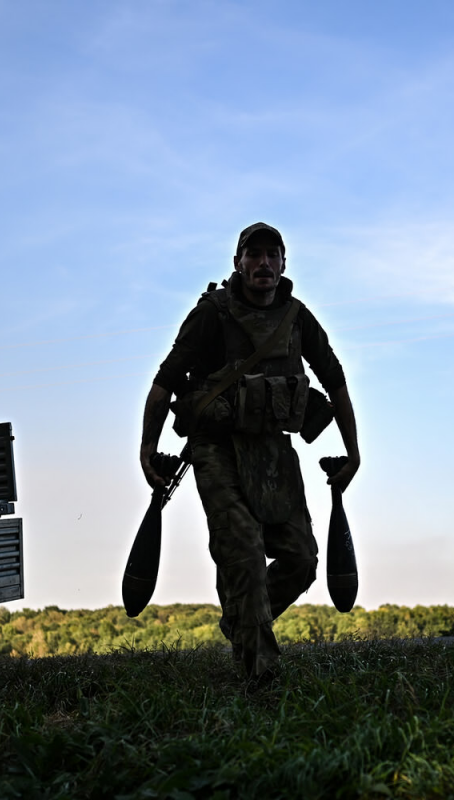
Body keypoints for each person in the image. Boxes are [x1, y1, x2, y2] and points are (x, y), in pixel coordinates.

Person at [138, 222, 360, 684]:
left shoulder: (297, 318)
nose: (263, 263)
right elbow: (163, 382)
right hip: (214, 447)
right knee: (242, 550)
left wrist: (353, 452)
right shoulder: (211, 314)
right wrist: (147, 449)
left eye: (271, 255)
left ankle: (240, 621)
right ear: (237, 263)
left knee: (301, 560)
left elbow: (335, 380)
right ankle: (262, 680)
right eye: (252, 254)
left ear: (283, 263)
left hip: (272, 449)